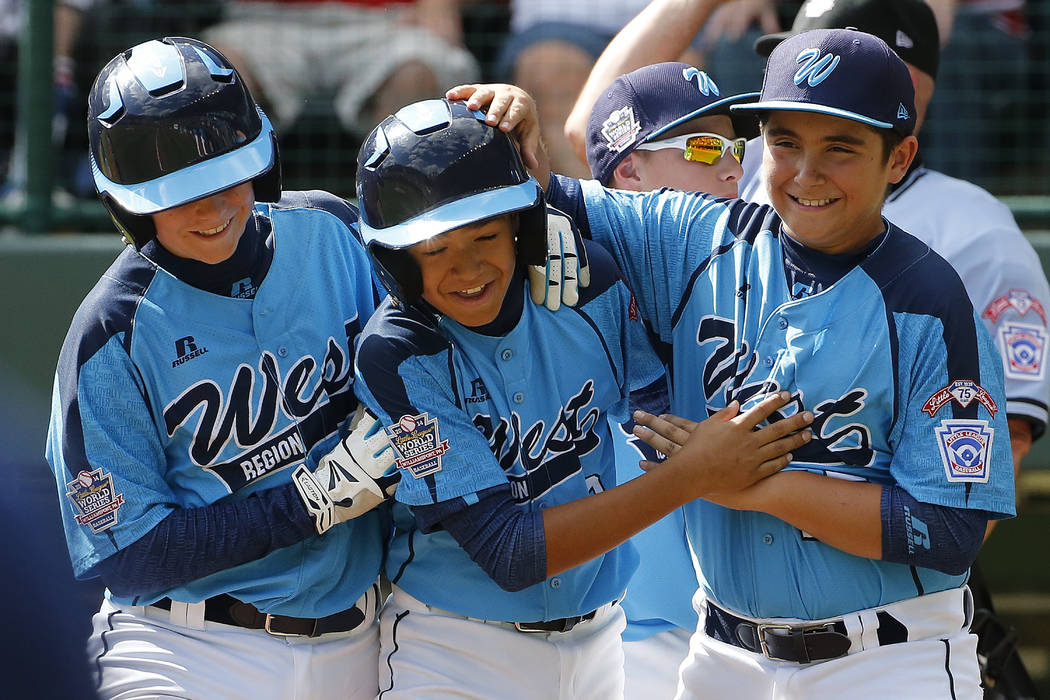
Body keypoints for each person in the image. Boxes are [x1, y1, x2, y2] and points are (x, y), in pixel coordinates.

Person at [462, 26, 1015, 699]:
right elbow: (548, 196)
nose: (805, 175)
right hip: (722, 659)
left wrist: (742, 481)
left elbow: (951, 528)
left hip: (883, 660)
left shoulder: (933, 303)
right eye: (785, 143)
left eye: (839, 149)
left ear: (898, 158)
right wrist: (512, 120)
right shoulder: (695, 238)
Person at [350, 97, 814, 699]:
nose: (467, 269)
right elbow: (507, 552)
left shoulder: (584, 284)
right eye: (435, 251)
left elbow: (658, 417)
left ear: (521, 224)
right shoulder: (397, 353)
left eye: (486, 236)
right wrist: (694, 472)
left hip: (602, 642)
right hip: (454, 651)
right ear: (397, 260)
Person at [45, 36, 415, 700]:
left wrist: (541, 217)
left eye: (225, 177)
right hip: (183, 648)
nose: (213, 209)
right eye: (180, 193)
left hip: (365, 643)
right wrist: (313, 499)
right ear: (128, 203)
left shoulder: (333, 233)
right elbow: (132, 557)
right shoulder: (112, 331)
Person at [582, 61, 758, 699]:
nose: (732, 167)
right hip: (622, 629)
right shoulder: (554, 276)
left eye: (737, 148)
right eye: (706, 148)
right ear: (629, 169)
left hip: (753, 630)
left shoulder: (759, 276)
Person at [203, 0, 479, 136]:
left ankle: (397, 208)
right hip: (264, 20)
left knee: (416, 71)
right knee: (216, 68)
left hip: (382, 22)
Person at [495, 0, 706, 178]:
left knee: (679, 86)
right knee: (548, 67)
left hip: (667, 14)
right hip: (556, 19)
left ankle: (653, 219)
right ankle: (584, 216)